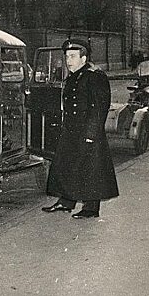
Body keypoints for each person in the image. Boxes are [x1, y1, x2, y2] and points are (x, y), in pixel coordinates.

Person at [42, 39, 118, 219]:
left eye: (73, 56)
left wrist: (91, 134)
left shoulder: (94, 75)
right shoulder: (74, 75)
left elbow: (99, 107)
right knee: (67, 165)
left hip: (87, 131)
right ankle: (66, 202)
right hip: (71, 130)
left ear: (83, 58)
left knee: (91, 169)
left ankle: (91, 209)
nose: (68, 61)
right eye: (67, 56)